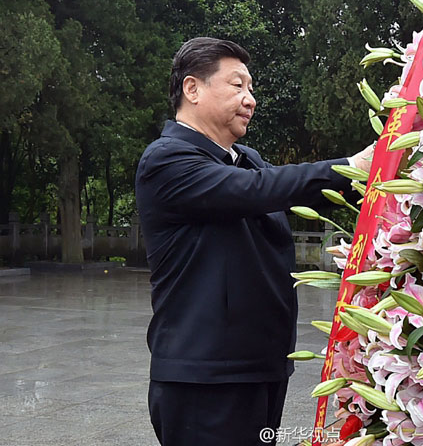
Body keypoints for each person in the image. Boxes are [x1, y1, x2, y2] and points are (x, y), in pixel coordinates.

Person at [135, 37, 373, 446]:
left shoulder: (246, 159)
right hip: (206, 379)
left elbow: (296, 191)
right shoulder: (167, 160)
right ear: (192, 89)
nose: (251, 100)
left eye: (251, 89)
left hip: (262, 368)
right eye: (237, 85)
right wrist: (350, 167)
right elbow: (258, 189)